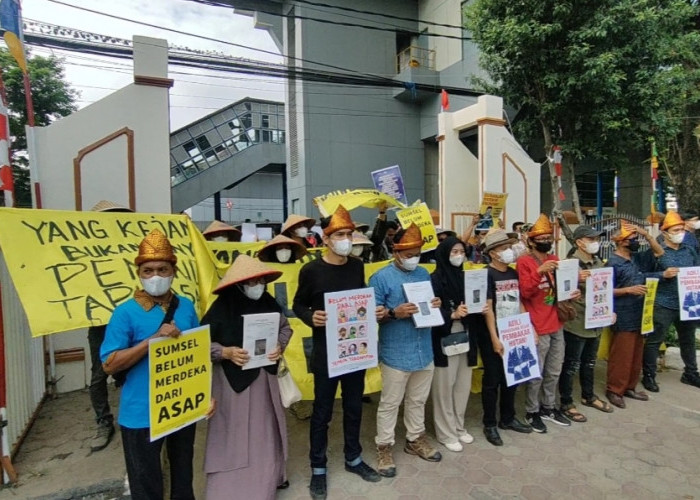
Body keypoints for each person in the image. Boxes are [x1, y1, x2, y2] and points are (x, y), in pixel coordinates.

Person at [101, 229, 211, 500]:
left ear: (174, 270)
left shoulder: (185, 306)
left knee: (183, 475)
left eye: (163, 269)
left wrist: (207, 395)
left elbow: (199, 353)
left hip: (181, 406)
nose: (156, 276)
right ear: (139, 273)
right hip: (141, 412)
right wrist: (151, 340)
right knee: (145, 480)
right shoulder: (124, 312)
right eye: (148, 270)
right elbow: (110, 364)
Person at [292, 205, 381, 500]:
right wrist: (310, 317)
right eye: (340, 234)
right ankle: (318, 468)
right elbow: (298, 305)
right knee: (322, 413)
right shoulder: (311, 270)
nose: (346, 239)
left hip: (355, 352)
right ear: (327, 239)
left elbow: (361, 298)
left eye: (349, 234)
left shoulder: (357, 266)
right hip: (326, 353)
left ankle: (353, 458)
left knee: (354, 408)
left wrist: (373, 311)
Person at [201, 254, 293, 499]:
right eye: (252, 282)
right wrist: (225, 352)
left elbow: (285, 328)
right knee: (233, 432)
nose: (258, 286)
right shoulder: (221, 309)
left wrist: (279, 347)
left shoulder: (269, 302)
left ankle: (268, 481)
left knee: (265, 431)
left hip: (265, 380)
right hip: (232, 384)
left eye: (261, 280)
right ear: (239, 285)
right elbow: (200, 343)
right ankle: (228, 488)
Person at [369, 223, 442, 477]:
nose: (414, 258)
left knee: (418, 400)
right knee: (389, 403)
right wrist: (394, 313)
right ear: (396, 251)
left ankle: (415, 439)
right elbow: (371, 316)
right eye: (408, 254)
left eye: (417, 253)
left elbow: (428, 304)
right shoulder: (380, 278)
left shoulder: (423, 273)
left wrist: (435, 303)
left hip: (424, 348)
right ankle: (384, 446)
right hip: (396, 352)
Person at [517, 214, 579, 433]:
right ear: (531, 241)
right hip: (536, 324)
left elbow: (562, 287)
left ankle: (548, 407)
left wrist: (573, 290)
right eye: (541, 237)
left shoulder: (554, 258)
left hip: (556, 322)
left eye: (548, 237)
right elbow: (524, 292)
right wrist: (538, 272)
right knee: (537, 373)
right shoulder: (524, 262)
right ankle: (531, 411)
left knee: (554, 370)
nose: (545, 240)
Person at [479, 228, 533, 446]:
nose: (509, 252)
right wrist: (494, 338)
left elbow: (519, 301)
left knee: (514, 377)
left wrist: (527, 329)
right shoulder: (486, 274)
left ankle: (508, 418)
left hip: (514, 331)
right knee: (492, 381)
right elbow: (488, 308)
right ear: (492, 253)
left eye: (509, 248)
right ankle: (490, 423)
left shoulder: (512, 273)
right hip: (493, 333)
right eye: (503, 249)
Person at [87, 200, 133, 452]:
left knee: (133, 365)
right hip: (100, 322)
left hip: (130, 318)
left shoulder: (131, 249)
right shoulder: (84, 250)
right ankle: (103, 421)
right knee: (99, 373)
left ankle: (137, 411)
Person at [558, 225, 614, 422]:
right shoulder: (570, 263)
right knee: (571, 364)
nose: (595, 243)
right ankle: (566, 402)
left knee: (590, 362)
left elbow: (604, 291)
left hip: (597, 320)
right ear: (579, 242)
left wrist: (609, 311)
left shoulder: (599, 262)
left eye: (596, 239)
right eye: (591, 239)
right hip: (577, 321)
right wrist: (573, 278)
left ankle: (588, 395)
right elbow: (558, 291)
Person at [606, 224, 665, 408]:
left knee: (636, 353)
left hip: (641, 312)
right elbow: (604, 291)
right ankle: (615, 389)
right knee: (622, 354)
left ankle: (630, 387)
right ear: (620, 241)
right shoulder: (612, 263)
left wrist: (646, 234)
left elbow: (659, 252)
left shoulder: (636, 258)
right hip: (623, 313)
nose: (636, 241)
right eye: (632, 238)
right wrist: (627, 290)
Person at [429, 237, 479, 452]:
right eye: (454, 251)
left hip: (467, 335)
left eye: (462, 251)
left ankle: (458, 426)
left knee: (462, 385)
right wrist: (451, 314)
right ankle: (445, 432)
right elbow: (430, 310)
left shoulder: (467, 277)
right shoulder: (435, 279)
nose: (459, 255)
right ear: (444, 254)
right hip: (445, 336)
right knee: (444, 386)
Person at [643, 211, 700, 391]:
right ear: (665, 232)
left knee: (688, 339)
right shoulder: (655, 252)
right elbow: (642, 275)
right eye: (676, 230)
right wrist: (662, 275)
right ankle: (649, 375)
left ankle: (691, 373)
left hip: (688, 302)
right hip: (663, 302)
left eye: (682, 229)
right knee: (655, 340)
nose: (680, 233)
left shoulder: (689, 250)